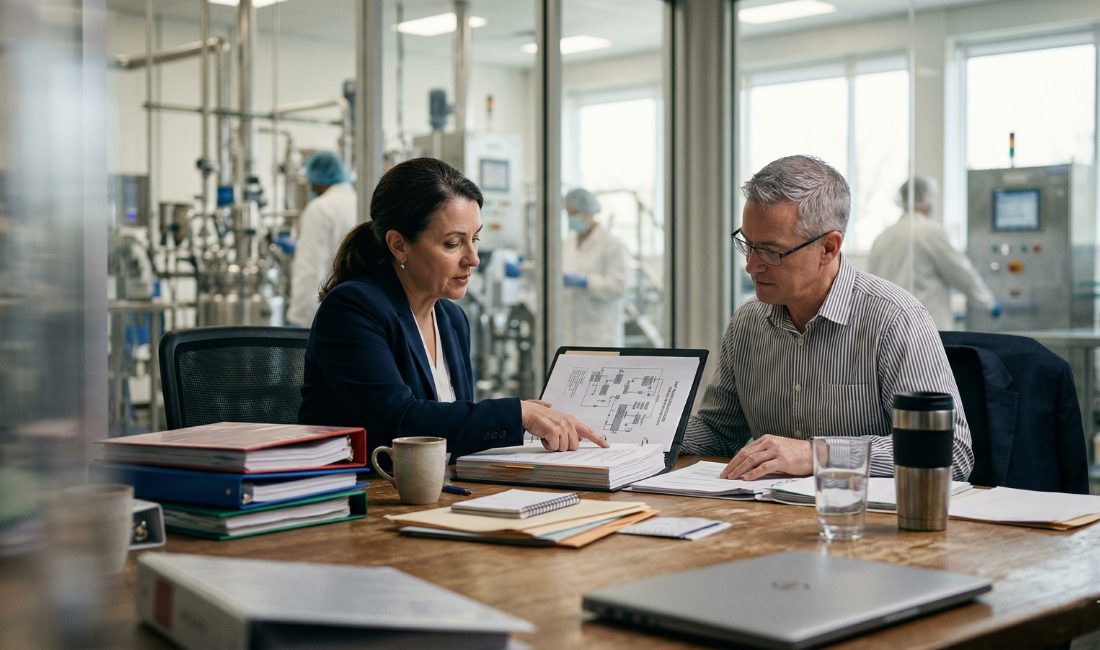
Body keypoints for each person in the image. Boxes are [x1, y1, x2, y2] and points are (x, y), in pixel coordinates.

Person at [682, 155, 973, 482]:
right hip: (767, 518)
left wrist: (818, 454)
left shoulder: (894, 319)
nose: (751, 266)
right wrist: (633, 431)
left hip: (860, 522)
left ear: (828, 248)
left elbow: (951, 452)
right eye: (747, 245)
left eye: (770, 251)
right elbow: (719, 432)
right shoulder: (747, 322)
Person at [298, 157, 608, 458]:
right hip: (362, 494)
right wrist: (515, 414)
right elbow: (398, 423)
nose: (473, 259)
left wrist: (525, 418)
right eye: (453, 244)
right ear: (399, 245)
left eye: (475, 239)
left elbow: (451, 428)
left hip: (435, 492)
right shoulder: (354, 308)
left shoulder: (451, 318)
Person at [868, 176, 999, 330]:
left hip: (891, 328)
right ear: (924, 198)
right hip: (927, 327)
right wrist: (988, 301)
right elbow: (960, 272)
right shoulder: (930, 232)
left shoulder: (882, 237)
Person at [286, 151, 358, 327]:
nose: (310, 188)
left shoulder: (319, 209)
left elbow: (309, 269)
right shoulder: (358, 200)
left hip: (323, 312)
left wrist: (298, 318)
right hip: (354, 308)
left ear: (317, 180)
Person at [560, 188, 628, 346]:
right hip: (569, 332)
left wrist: (586, 282)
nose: (570, 218)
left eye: (574, 212)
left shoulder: (611, 244)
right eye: (568, 213)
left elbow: (618, 287)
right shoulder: (567, 244)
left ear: (588, 212)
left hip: (599, 334)